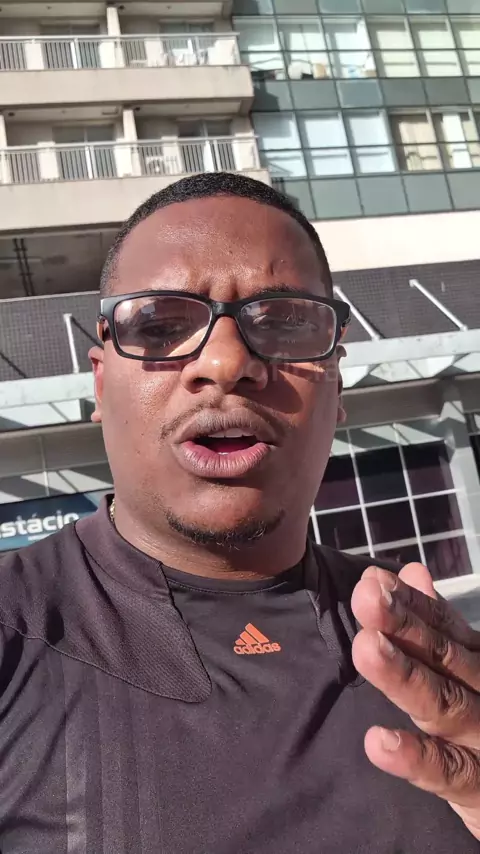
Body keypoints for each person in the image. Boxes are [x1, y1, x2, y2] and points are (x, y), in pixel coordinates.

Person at [0, 173, 479, 854]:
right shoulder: (15, 636)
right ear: (101, 384)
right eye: (160, 325)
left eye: (284, 322)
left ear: (337, 384)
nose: (226, 363)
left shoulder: (420, 639)